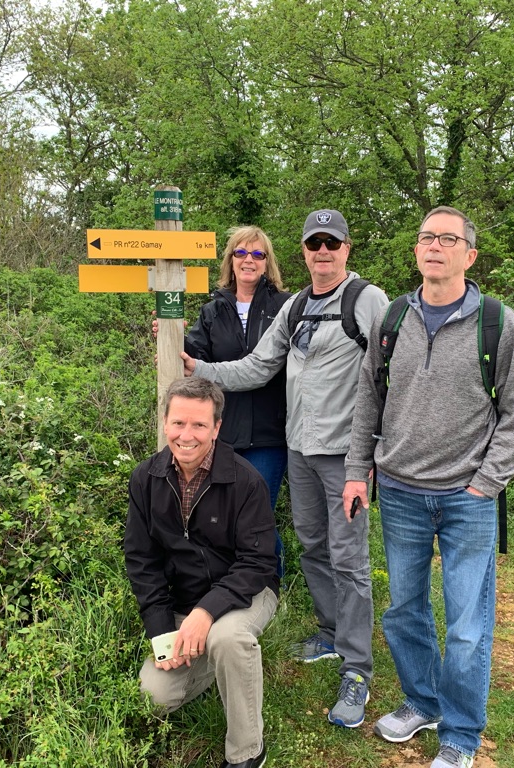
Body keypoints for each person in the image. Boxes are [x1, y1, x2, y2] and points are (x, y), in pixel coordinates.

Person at [181, 209, 389, 728]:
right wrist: (200, 369)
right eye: (314, 243)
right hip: (299, 449)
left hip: (345, 455)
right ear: (303, 252)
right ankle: (330, 632)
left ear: (346, 248)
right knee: (313, 545)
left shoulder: (367, 300)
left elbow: (391, 373)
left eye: (332, 243)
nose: (323, 252)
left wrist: (372, 454)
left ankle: (357, 668)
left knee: (349, 558)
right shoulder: (295, 306)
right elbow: (257, 367)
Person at [342, 206, 514, 768]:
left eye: (448, 239)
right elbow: (369, 398)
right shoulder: (393, 318)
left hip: (468, 497)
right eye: (427, 237)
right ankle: (422, 702)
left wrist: (485, 485)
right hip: (399, 492)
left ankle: (461, 735)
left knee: (468, 626)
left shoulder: (497, 323)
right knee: (405, 611)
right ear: (417, 249)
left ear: (469, 255)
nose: (435, 246)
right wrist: (356, 470)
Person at [125, 378, 278, 768]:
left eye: (198, 425)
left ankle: (247, 751)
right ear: (164, 422)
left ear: (216, 427)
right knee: (153, 697)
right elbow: (142, 561)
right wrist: (161, 630)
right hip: (182, 601)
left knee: (228, 638)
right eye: (178, 423)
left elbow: (258, 563)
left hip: (247, 593)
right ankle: (216, 664)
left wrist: (206, 612)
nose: (186, 435)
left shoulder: (246, 481)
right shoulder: (145, 478)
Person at [184, 225, 292, 574]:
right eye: (241, 252)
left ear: (267, 262)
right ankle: (237, 582)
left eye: (258, 254)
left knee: (257, 513)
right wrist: (169, 336)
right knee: (225, 514)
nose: (249, 260)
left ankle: (271, 583)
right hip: (225, 432)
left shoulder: (285, 307)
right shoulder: (213, 311)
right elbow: (195, 358)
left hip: (269, 434)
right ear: (230, 259)